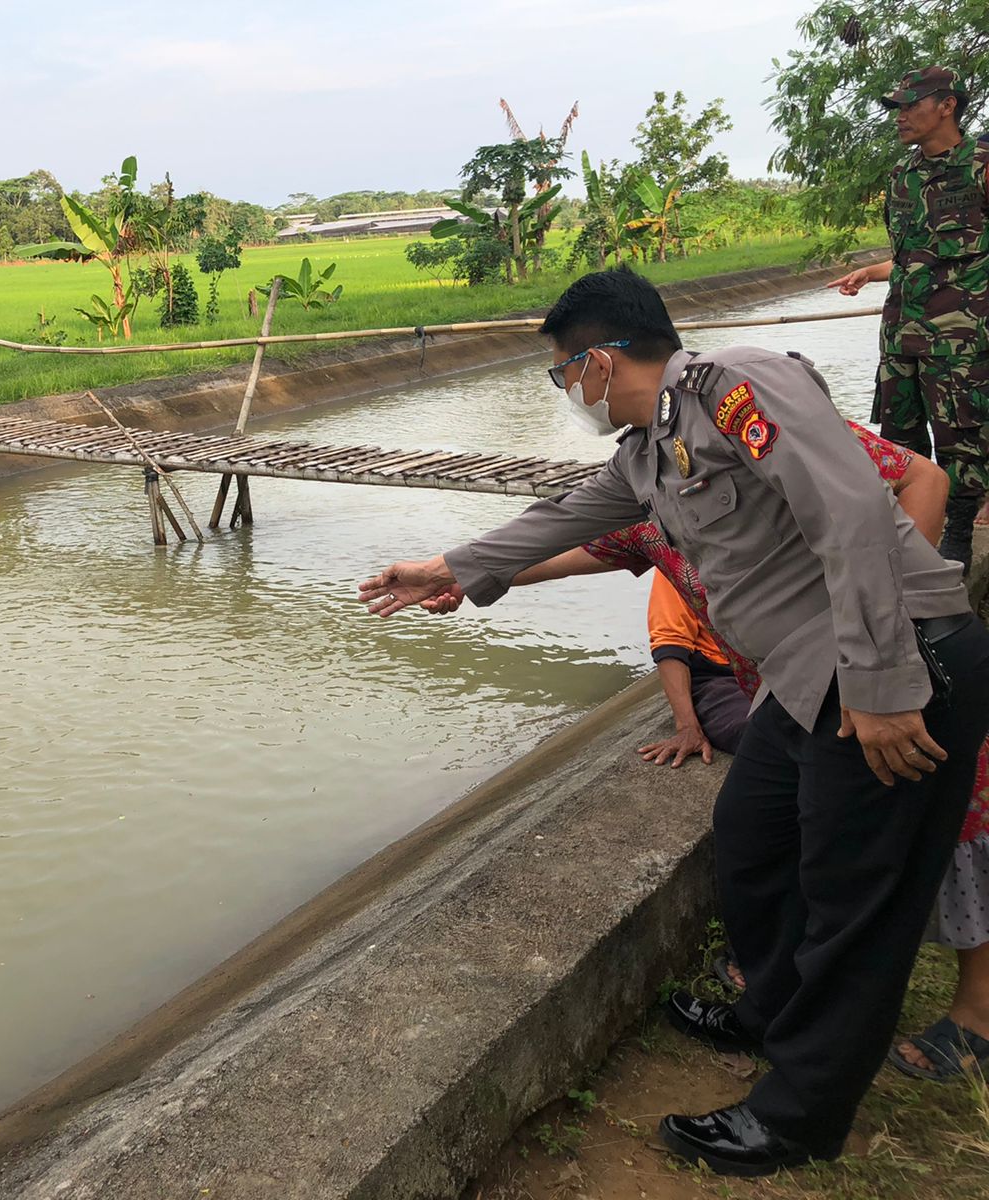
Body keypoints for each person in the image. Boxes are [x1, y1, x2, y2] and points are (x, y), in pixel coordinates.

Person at [359, 266, 989, 1177]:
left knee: (857, 899)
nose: (564, 391)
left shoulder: (739, 386)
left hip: (891, 659)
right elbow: (570, 518)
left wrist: (886, 684)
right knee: (752, 832)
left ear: (600, 360)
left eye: (561, 372)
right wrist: (450, 567)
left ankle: (797, 1116)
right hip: (809, 677)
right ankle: (769, 1007)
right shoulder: (650, 451)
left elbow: (855, 510)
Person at [435, 433, 989, 1086]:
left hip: (883, 676)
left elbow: (921, 476)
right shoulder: (652, 521)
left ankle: (974, 1014)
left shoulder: (770, 459)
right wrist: (463, 577)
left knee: (959, 834)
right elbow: (569, 549)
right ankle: (779, 992)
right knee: (776, 835)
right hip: (791, 700)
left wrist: (883, 636)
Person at [827, 65, 989, 564]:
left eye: (910, 105)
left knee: (963, 440)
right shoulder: (902, 177)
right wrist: (871, 273)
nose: (900, 117)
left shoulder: (981, 164)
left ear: (947, 105)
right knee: (899, 440)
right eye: (896, 107)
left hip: (960, 340)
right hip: (900, 336)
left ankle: (960, 534)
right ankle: (907, 540)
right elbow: (912, 254)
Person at [642, 572, 750, 763]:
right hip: (719, 676)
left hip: (779, 662)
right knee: (764, 733)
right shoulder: (677, 555)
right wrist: (687, 728)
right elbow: (670, 641)